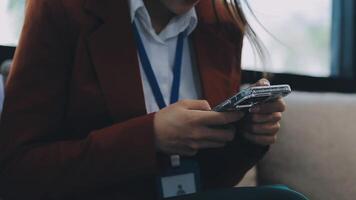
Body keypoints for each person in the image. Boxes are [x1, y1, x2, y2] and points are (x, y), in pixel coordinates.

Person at [0, 0, 306, 200]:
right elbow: (16, 173)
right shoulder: (62, 9)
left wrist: (248, 138)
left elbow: (214, 180)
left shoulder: (220, 22)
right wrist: (149, 137)